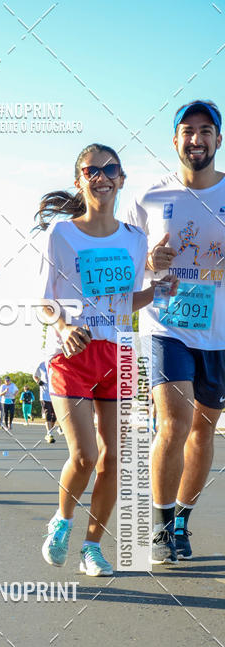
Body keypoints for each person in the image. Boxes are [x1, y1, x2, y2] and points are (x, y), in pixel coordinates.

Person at [36, 143, 177, 576]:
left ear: (121, 178)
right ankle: (62, 521)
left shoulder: (135, 239)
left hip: (119, 352)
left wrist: (156, 291)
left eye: (108, 169)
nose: (100, 176)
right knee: (84, 456)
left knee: (116, 459)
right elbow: (44, 302)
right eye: (90, 170)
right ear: (80, 180)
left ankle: (92, 547)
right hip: (72, 354)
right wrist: (62, 327)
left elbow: (124, 300)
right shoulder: (61, 234)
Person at [127, 99, 225, 564]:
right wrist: (149, 263)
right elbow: (123, 263)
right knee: (174, 423)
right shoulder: (149, 198)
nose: (197, 139)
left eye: (206, 131)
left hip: (220, 331)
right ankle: (161, 526)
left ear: (218, 140)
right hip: (167, 325)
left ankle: (182, 517)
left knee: (203, 431)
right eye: (188, 131)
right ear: (175, 141)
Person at [34, 361, 57, 443]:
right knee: (48, 413)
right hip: (45, 395)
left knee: (55, 416)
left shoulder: (57, 361)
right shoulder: (41, 364)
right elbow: (35, 376)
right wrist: (38, 381)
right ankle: (49, 433)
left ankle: (49, 431)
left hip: (56, 394)